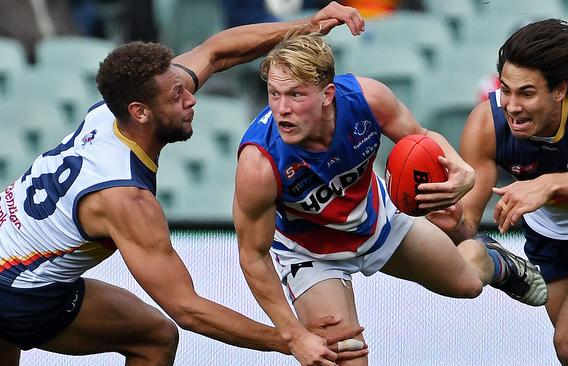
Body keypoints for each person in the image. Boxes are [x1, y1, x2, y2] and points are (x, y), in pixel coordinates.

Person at [0, 2, 369, 365]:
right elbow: (188, 309)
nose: (192, 98)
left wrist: (307, 26)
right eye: (177, 96)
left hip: (10, 259)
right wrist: (291, 340)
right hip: (19, 292)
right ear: (140, 112)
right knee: (156, 338)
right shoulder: (125, 199)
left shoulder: (114, 111)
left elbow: (217, 51)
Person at [234, 31, 548, 366]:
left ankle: (494, 259)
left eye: (295, 95)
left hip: (377, 220)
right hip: (310, 255)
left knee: (468, 284)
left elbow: (421, 137)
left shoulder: (367, 99)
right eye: (274, 94)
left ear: (327, 94)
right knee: (341, 360)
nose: (282, 109)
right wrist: (293, 334)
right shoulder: (259, 163)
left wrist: (463, 172)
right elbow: (253, 256)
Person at [430, 19, 568, 366]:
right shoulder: (486, 124)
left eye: (527, 93)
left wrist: (548, 184)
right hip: (551, 239)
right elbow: (468, 221)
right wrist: (449, 219)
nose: (512, 106)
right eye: (506, 89)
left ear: (560, 89)